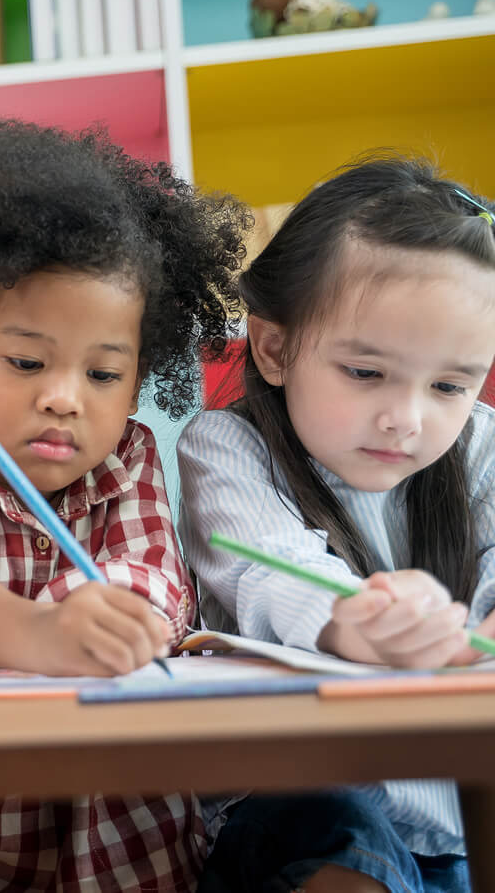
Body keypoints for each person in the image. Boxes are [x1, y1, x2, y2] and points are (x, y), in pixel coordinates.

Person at [0, 118, 249, 890]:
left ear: (141, 374)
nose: (63, 398)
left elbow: (156, 583)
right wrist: (42, 629)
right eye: (27, 361)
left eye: (103, 374)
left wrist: (117, 615)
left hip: (135, 863)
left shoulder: (132, 462)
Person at [178, 156, 495, 893]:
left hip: (459, 819)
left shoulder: (479, 445)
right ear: (275, 347)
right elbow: (267, 568)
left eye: (450, 384)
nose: (407, 418)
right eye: (365, 372)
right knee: (346, 839)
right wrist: (356, 621)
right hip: (301, 807)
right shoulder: (226, 445)